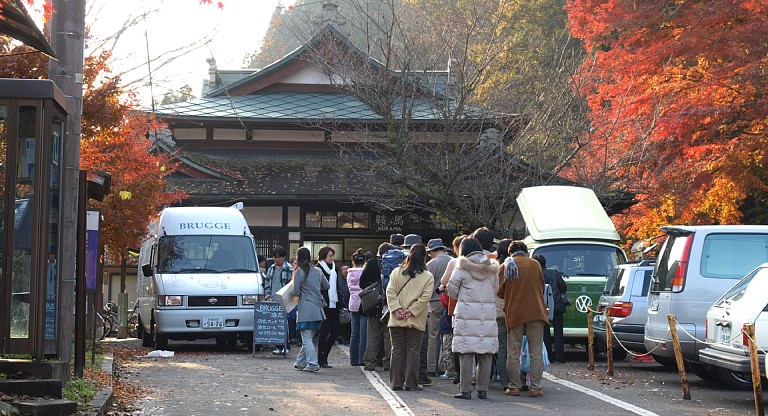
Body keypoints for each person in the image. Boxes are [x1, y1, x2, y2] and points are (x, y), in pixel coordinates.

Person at [444, 237, 499, 400]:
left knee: (465, 352)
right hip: (487, 315)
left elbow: (452, 291)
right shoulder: (492, 269)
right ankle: (483, 389)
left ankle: (466, 390)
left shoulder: (461, 268)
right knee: (486, 352)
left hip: (466, 315)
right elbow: (495, 290)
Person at [498, 240, 549, 397]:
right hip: (535, 312)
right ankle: (536, 387)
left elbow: (500, 292)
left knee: (513, 352)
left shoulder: (505, 266)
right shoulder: (535, 265)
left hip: (515, 313)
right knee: (535, 352)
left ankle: (514, 386)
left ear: (510, 252)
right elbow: (541, 286)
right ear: (526, 251)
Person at [387, 243, 434, 391]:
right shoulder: (427, 276)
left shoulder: (396, 272)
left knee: (397, 350)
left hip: (396, 318)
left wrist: (397, 309)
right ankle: (411, 383)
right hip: (416, 319)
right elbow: (425, 298)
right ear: (424, 257)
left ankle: (396, 382)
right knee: (414, 351)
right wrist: (411, 311)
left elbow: (390, 292)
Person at [292, 247, 330, 372]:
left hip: (305, 309)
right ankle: (300, 362)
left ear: (298, 258)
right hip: (318, 309)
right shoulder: (318, 271)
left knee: (306, 338)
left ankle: (313, 363)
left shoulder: (299, 273)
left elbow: (296, 292)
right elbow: (326, 285)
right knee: (308, 337)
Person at [360, 242, 395, 371]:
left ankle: (369, 363)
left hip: (374, 304)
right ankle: (388, 363)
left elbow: (362, 283)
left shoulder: (372, 263)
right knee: (388, 335)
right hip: (389, 303)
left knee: (372, 335)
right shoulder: (396, 264)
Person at [439, 234, 469, 384]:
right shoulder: (486, 262)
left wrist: (443, 287)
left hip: (457, 306)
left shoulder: (455, 262)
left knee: (458, 342)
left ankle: (459, 374)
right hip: (479, 308)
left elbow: (445, 282)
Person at [532, 253, 567, 363]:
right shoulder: (554, 272)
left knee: (545, 332)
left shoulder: (534, 274)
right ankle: (559, 356)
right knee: (558, 332)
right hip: (556, 304)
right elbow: (563, 286)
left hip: (541, 306)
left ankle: (548, 356)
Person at [317, 246, 346, 368]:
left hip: (334, 303)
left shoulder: (334, 268)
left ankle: (325, 355)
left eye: (332, 256)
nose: (332, 258)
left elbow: (336, 285)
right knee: (323, 331)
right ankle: (320, 358)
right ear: (324, 256)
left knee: (335, 331)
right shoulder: (318, 268)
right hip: (324, 303)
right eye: (330, 256)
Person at [426, 238, 451, 376]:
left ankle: (431, 366)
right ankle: (445, 366)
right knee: (447, 335)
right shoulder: (453, 261)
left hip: (434, 301)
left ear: (432, 252)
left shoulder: (431, 264)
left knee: (433, 335)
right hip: (450, 301)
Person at [263, 246, 294, 355]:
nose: (277, 259)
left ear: (284, 257)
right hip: (272, 299)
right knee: (275, 324)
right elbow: (267, 284)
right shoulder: (271, 268)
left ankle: (286, 345)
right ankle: (278, 346)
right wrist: (267, 297)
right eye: (275, 257)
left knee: (284, 323)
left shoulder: (289, 268)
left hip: (284, 300)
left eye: (279, 257)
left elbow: (291, 286)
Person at [493, 238, 513, 388]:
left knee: (501, 348)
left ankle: (503, 380)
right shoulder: (515, 266)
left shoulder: (494, 267)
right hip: (513, 311)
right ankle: (515, 379)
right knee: (514, 348)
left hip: (497, 311)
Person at [347, 249, 368, 366]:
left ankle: (353, 360)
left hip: (353, 304)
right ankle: (361, 359)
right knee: (363, 334)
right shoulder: (365, 272)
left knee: (354, 334)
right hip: (364, 304)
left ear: (353, 262)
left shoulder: (349, 273)